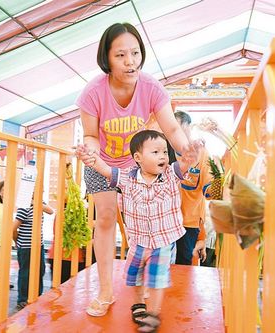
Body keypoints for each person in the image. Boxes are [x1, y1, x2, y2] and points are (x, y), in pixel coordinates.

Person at [76, 22, 194, 317]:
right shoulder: (92, 92)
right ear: (107, 58)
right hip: (100, 162)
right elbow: (90, 134)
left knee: (141, 224)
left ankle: (140, 290)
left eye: (135, 53)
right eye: (120, 55)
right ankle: (105, 290)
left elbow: (170, 127)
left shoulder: (152, 87)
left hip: (135, 166)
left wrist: (185, 150)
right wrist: (90, 149)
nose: (130, 62)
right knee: (104, 218)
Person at [77, 130, 202, 332]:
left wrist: (191, 154)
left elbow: (186, 163)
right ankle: (138, 304)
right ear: (138, 158)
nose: (163, 156)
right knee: (135, 275)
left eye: (164, 152)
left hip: (163, 241)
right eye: (155, 152)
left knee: (156, 278)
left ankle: (152, 314)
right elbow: (107, 170)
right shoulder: (127, 178)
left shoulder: (170, 174)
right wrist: (91, 159)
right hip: (138, 241)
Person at [167, 111, 212, 265]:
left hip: (188, 222)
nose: (173, 133)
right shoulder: (163, 150)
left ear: (188, 127)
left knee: (183, 265)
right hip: (164, 220)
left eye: (177, 128)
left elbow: (209, 188)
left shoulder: (202, 153)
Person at [13, 196, 54, 309]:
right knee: (25, 273)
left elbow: (51, 211)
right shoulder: (24, 208)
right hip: (26, 246)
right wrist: (16, 241)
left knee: (40, 270)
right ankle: (22, 298)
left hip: (38, 245)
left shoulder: (40, 204)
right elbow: (13, 228)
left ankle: (37, 295)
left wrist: (35, 202)